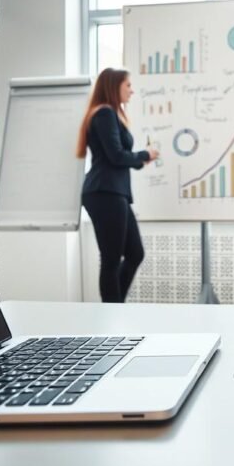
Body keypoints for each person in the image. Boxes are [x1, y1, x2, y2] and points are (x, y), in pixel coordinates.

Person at [76, 68, 159, 303]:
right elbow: (115, 156)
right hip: (104, 192)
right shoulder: (104, 114)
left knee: (135, 253)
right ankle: (112, 310)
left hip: (113, 191)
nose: (132, 90)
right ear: (114, 87)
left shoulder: (111, 113)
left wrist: (142, 160)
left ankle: (116, 306)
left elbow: (117, 158)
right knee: (111, 258)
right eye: (128, 85)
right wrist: (144, 153)